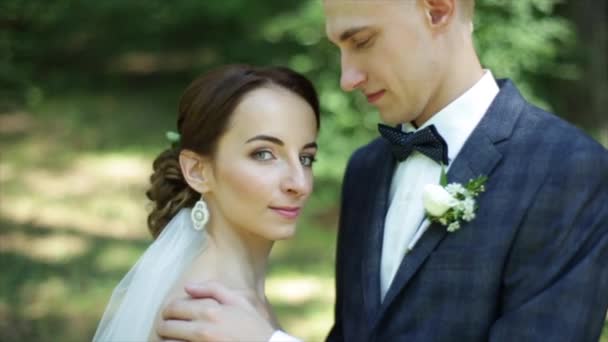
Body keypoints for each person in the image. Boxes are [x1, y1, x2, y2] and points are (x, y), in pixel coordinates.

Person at [157, 0, 608, 341]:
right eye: (339, 48)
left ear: (437, 9)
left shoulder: (570, 170)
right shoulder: (366, 170)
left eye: (362, 41)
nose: (346, 78)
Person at [92, 64, 321, 342]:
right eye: (263, 154)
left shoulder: (235, 304)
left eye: (306, 158)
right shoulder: (199, 317)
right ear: (198, 171)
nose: (299, 184)